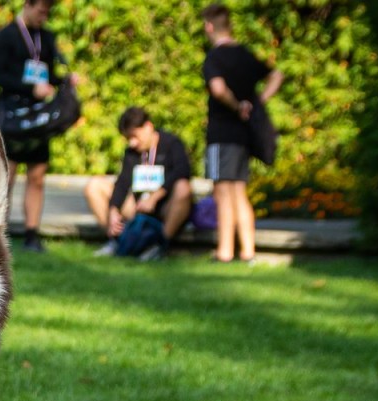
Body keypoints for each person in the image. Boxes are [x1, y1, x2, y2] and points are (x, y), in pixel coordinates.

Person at [0, 0, 84, 253]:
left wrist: (65, 80)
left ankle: (32, 234)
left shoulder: (47, 38)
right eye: (41, 11)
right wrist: (29, 87)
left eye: (48, 13)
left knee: (37, 175)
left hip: (39, 117)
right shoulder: (7, 35)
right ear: (28, 6)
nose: (44, 17)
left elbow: (48, 73)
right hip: (13, 116)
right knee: (5, 175)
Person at [200, 3, 284, 263]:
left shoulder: (214, 58)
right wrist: (258, 100)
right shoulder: (245, 54)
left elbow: (217, 88)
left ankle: (224, 251)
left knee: (222, 191)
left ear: (209, 26)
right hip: (244, 135)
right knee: (239, 191)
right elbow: (277, 75)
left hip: (222, 133)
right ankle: (248, 251)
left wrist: (236, 106)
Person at [83, 106, 195, 260]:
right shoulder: (132, 152)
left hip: (164, 207)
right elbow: (123, 181)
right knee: (94, 185)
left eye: (135, 136)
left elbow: (182, 171)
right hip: (137, 208)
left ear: (148, 127)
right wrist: (113, 210)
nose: (132, 143)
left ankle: (160, 246)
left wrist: (154, 197)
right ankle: (115, 240)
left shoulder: (171, 143)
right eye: (128, 138)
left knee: (183, 187)